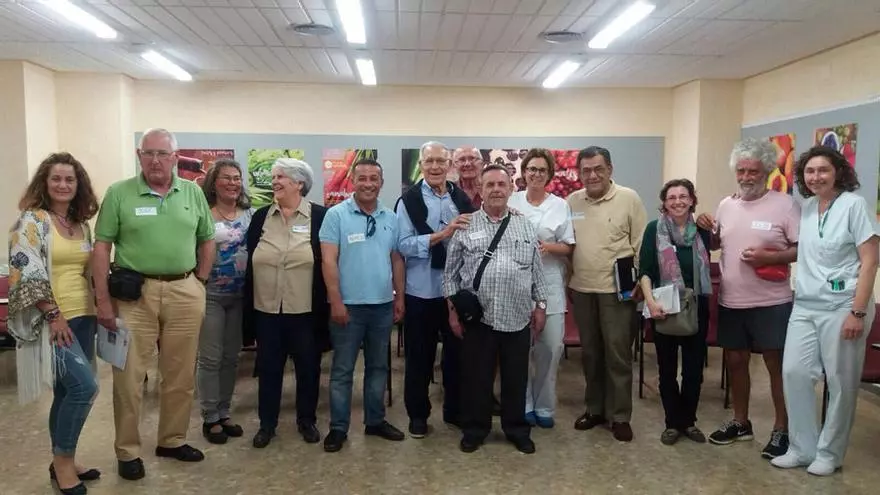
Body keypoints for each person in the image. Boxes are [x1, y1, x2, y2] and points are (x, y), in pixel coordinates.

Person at [92, 128, 215, 481]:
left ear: (175, 158)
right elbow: (102, 247)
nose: (156, 160)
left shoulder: (192, 192)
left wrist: (200, 281)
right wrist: (102, 301)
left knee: (180, 373)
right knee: (129, 377)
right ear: (139, 156)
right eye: (149, 153)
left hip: (184, 290)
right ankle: (128, 450)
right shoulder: (119, 193)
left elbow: (207, 239)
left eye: (163, 154)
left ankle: (172, 440)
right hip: (135, 295)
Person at [772, 146, 878, 476]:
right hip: (805, 304)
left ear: (838, 173)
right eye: (809, 171)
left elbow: (870, 261)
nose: (816, 177)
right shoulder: (806, 207)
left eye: (823, 170)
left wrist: (857, 312)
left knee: (841, 381)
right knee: (794, 372)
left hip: (844, 305)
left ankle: (829, 453)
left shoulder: (854, 205)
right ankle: (801, 448)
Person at [696, 138, 799, 459]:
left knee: (776, 367)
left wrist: (772, 257)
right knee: (736, 362)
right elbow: (717, 244)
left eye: (753, 171)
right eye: (741, 170)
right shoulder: (726, 205)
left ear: (767, 171)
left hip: (772, 302)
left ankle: (782, 428)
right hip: (732, 300)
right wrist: (704, 227)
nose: (746, 177)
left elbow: (802, 249)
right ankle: (741, 422)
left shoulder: (786, 205)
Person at [7, 153, 100, 495]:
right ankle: (63, 464)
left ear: (79, 185)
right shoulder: (31, 221)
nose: (63, 185)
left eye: (69, 179)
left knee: (66, 391)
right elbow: (25, 269)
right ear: (44, 183)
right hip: (54, 320)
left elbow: (87, 270)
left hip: (84, 316)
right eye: (56, 179)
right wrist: (52, 313)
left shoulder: (80, 224)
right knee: (85, 388)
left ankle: (63, 457)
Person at [444, 164, 549, 455]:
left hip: (517, 317)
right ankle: (475, 430)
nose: (496, 190)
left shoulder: (525, 225)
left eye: (501, 184)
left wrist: (541, 306)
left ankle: (516, 430)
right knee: (477, 379)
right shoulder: (465, 225)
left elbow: (537, 272)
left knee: (515, 379)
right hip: (480, 319)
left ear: (511, 189)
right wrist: (452, 311)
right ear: (480, 189)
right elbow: (450, 275)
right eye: (489, 185)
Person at [319, 158, 406, 453]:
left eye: (374, 178)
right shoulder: (336, 215)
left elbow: (396, 259)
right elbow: (328, 260)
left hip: (382, 306)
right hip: (348, 307)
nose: (368, 183)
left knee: (378, 367)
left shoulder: (390, 217)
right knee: (343, 370)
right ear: (353, 181)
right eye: (362, 178)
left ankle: (375, 421)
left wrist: (400, 297)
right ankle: (338, 428)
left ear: (381, 182)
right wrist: (336, 300)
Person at [245, 158, 328, 448]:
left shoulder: (320, 216)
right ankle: (267, 424)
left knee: (308, 367)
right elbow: (251, 259)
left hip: (305, 309)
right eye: (274, 177)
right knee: (269, 369)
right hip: (266, 309)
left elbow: (328, 261)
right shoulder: (261, 217)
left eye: (280, 177)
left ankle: (307, 420)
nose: (275, 182)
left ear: (299, 183)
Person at [568, 146, 647, 442]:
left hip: (617, 291)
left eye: (598, 169)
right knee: (590, 354)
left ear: (610, 169)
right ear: (579, 173)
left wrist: (641, 283)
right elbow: (568, 243)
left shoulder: (629, 198)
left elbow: (641, 244)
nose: (592, 175)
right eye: (586, 170)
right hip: (582, 289)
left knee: (618, 355)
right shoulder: (573, 201)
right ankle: (595, 409)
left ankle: (620, 416)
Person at [396, 141, 475, 437]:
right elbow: (403, 245)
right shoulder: (408, 200)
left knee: (458, 357)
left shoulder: (461, 198)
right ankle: (418, 416)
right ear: (421, 166)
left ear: (449, 165)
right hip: (421, 291)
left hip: (456, 291)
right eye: (429, 161)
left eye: (441, 161)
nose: (435, 167)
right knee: (419, 358)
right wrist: (443, 234)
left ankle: (454, 410)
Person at [638, 179, 712, 445]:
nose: (678, 201)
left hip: (696, 306)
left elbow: (721, 245)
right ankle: (672, 423)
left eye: (683, 196)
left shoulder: (702, 229)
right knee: (667, 369)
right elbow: (645, 270)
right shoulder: (654, 229)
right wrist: (650, 302)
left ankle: (688, 421)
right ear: (664, 203)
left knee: (693, 370)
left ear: (692, 200)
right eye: (672, 197)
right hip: (664, 306)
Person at [507, 148, 574, 428]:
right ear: (524, 172)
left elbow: (568, 246)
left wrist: (547, 247)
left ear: (549, 175)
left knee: (550, 347)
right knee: (519, 351)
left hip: (550, 285)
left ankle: (544, 406)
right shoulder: (512, 201)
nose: (536, 174)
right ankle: (524, 405)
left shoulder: (560, 205)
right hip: (516, 286)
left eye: (542, 170)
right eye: (532, 169)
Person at [196, 159, 252, 445]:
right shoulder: (203, 213)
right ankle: (210, 417)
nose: (233, 183)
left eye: (237, 178)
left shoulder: (249, 214)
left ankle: (224, 412)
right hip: (211, 295)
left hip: (240, 296)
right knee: (210, 358)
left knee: (232, 357)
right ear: (214, 183)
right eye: (226, 178)